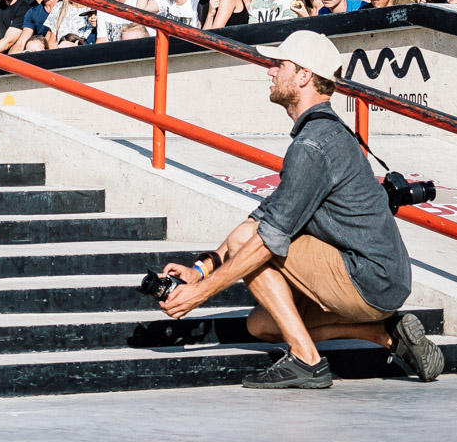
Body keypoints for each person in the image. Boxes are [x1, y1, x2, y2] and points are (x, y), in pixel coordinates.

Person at [157, 30, 437, 388]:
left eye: (280, 65)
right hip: (381, 280)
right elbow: (263, 217)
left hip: (368, 276)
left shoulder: (312, 146)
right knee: (261, 325)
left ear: (303, 75)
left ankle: (307, 362)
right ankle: (385, 334)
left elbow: (259, 238)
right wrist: (200, 268)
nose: (270, 72)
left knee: (251, 242)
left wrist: (202, 292)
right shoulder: (324, 135)